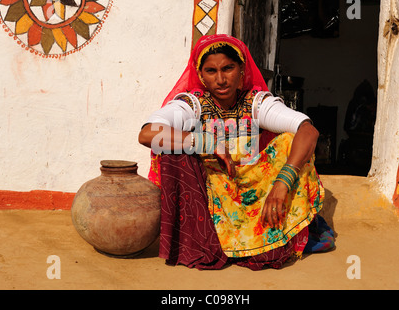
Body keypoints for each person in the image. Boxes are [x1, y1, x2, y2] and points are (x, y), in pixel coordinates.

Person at [139, 34, 334, 270]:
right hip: (212, 198)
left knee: (289, 142)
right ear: (201, 76)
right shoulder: (193, 105)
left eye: (228, 68)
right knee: (171, 151)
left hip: (257, 195)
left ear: (242, 70)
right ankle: (203, 242)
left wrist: (283, 183)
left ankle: (265, 235)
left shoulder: (256, 103)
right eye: (211, 71)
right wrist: (206, 143)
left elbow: (308, 131)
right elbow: (148, 134)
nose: (221, 79)